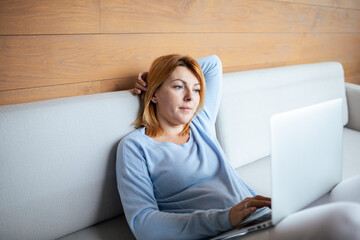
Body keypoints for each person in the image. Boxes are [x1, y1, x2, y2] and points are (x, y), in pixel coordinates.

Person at [117, 54, 360, 240]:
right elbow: (143, 224)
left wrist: (157, 74)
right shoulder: (135, 147)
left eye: (197, 89)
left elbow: (212, 64)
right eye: (179, 86)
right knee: (347, 219)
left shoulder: (200, 123)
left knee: (351, 191)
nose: (191, 97)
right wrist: (225, 219)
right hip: (228, 233)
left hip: (263, 217)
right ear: (155, 95)